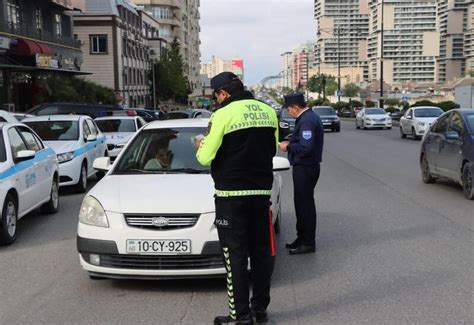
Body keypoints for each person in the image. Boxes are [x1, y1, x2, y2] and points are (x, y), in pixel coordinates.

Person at [195, 72, 279, 325]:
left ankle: (240, 316)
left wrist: (200, 144)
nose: (216, 101)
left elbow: (204, 157)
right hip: (261, 194)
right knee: (262, 253)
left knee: (235, 257)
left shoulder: (222, 114)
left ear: (223, 93)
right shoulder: (268, 111)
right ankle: (260, 308)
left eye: (216, 96)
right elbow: (273, 149)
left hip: (231, 197)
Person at [279, 93, 324, 255]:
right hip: (304, 167)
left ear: (295, 107)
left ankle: (308, 242)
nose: (288, 112)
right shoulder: (307, 118)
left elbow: (306, 148)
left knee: (305, 205)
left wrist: (288, 146)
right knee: (301, 203)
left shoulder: (307, 120)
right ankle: (301, 238)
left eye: (289, 109)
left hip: (306, 167)